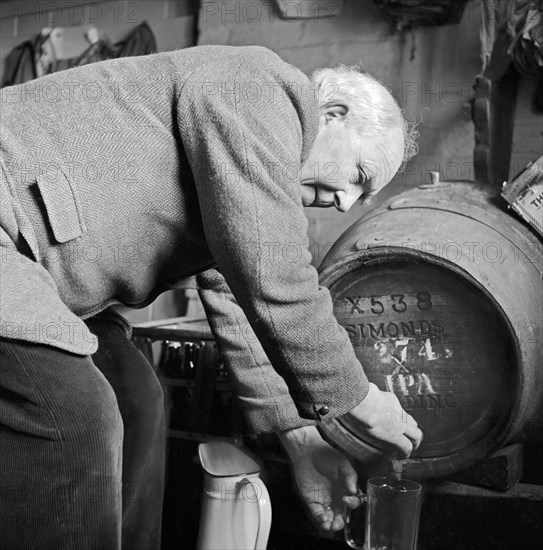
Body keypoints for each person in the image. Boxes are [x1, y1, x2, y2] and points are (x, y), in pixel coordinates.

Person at [0, 45, 421, 549]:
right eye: (359, 176)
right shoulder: (260, 86)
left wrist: (301, 438)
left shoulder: (240, 184)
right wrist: (357, 399)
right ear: (331, 115)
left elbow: (243, 297)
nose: (345, 202)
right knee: (73, 414)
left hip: (41, 283)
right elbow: (277, 279)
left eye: (363, 198)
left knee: (138, 398)